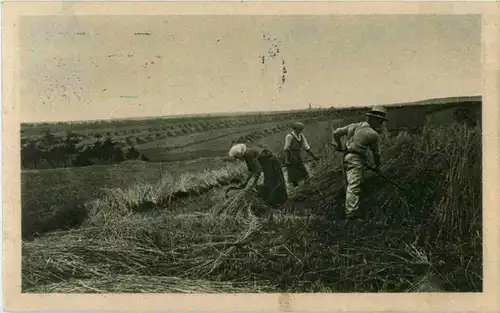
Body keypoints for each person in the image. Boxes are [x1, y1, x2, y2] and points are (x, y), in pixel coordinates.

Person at [331, 106, 388, 220]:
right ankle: (351, 215)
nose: (381, 124)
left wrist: (338, 146)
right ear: (373, 119)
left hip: (346, 157)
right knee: (354, 185)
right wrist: (377, 167)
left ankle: (347, 208)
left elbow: (336, 133)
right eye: (380, 121)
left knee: (349, 183)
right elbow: (377, 154)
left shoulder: (354, 126)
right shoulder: (372, 134)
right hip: (356, 159)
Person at [228, 143, 288, 207]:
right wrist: (245, 182)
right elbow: (251, 170)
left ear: (239, 154)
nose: (237, 158)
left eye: (236, 157)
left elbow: (257, 171)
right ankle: (274, 201)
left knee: (273, 182)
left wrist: (254, 184)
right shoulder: (247, 154)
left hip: (271, 164)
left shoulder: (248, 154)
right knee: (271, 182)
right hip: (268, 164)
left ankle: (277, 202)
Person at [283, 122, 319, 187]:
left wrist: (314, 156)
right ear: (295, 129)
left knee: (304, 173)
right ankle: (296, 189)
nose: (301, 131)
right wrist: (286, 160)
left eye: (301, 129)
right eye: (300, 129)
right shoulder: (289, 136)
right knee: (294, 177)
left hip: (298, 157)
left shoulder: (301, 136)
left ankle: (307, 187)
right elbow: (286, 149)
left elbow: (307, 148)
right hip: (291, 158)